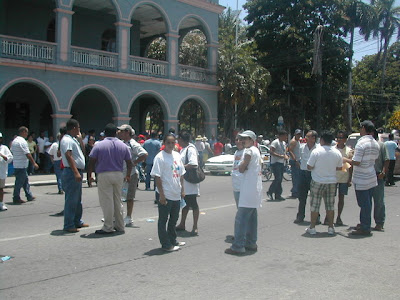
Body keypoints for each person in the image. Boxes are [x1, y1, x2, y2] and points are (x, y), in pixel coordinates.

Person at [87, 123, 132, 234]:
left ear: (105, 133)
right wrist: (128, 175)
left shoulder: (99, 145)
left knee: (107, 201)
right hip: (118, 174)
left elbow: (91, 161)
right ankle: (120, 225)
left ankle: (108, 226)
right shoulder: (123, 146)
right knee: (118, 200)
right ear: (116, 133)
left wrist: (89, 176)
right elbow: (129, 162)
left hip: (104, 174)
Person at [225, 130, 262, 255]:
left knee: (240, 219)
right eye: (241, 138)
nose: (242, 141)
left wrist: (242, 165)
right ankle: (251, 243)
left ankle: (238, 246)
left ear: (252, 140)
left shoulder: (249, 151)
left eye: (245, 139)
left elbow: (241, 168)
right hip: (254, 189)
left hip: (248, 189)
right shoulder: (257, 150)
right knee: (252, 218)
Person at [151, 134, 186, 251]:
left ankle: (173, 239)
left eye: (173, 143)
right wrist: (161, 195)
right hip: (165, 194)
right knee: (163, 220)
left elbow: (181, 174)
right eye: (168, 143)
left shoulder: (177, 155)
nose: (171, 145)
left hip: (176, 193)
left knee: (174, 219)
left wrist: (182, 190)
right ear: (164, 143)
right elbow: (157, 177)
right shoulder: (160, 158)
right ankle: (166, 245)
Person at [305, 131, 343, 235]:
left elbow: (309, 166)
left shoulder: (316, 151)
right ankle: (331, 227)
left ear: (321, 139)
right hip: (331, 181)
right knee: (330, 205)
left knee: (315, 205)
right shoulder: (337, 152)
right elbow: (339, 167)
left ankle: (312, 227)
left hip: (318, 180)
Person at [350, 120, 380, 236]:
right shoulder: (375, 143)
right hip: (371, 176)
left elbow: (356, 162)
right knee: (367, 203)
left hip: (361, 178)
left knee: (363, 204)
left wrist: (346, 160)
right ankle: (365, 223)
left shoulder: (361, 143)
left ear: (363, 128)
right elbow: (374, 159)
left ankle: (365, 227)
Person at [60, 119, 88, 233]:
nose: (79, 130)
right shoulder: (66, 140)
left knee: (77, 199)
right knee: (71, 199)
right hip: (71, 172)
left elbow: (82, 152)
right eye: (78, 128)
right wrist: (76, 172)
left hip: (77, 171)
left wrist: (81, 140)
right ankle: (69, 224)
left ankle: (77, 221)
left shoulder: (74, 140)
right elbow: (68, 155)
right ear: (74, 128)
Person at [117, 124, 148, 227]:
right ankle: (116, 215)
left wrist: (134, 162)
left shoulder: (133, 144)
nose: (119, 133)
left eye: (121, 131)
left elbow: (144, 154)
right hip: (121, 172)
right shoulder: (121, 143)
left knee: (129, 197)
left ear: (127, 132)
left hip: (131, 174)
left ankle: (129, 217)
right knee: (118, 195)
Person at [176, 130, 201, 236]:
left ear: (181, 139)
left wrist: (181, 167)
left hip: (190, 182)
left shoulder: (190, 149)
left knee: (193, 203)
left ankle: (195, 226)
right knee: (185, 204)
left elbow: (193, 164)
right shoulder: (184, 149)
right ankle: (182, 223)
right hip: (185, 181)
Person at [294, 130, 318, 223]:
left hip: (313, 174)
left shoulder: (318, 148)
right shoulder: (302, 147)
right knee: (302, 196)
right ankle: (300, 216)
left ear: (314, 138)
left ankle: (316, 217)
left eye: (308, 136)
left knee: (315, 197)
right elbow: (300, 159)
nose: (305, 138)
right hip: (303, 173)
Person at [11, 126, 39, 204]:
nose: (27, 134)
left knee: (25, 181)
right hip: (22, 165)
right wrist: (34, 163)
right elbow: (28, 154)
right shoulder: (22, 142)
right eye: (26, 132)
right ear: (23, 132)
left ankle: (29, 195)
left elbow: (12, 151)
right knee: (19, 182)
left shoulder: (14, 141)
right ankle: (16, 197)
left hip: (17, 164)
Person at [333, 130, 353, 226]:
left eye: (341, 138)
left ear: (345, 139)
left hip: (344, 178)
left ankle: (338, 217)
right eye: (338, 137)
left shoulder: (349, 151)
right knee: (330, 198)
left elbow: (351, 166)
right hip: (332, 177)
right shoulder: (332, 149)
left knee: (341, 198)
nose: (339, 139)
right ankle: (329, 216)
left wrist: (350, 179)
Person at [372, 129, 389, 231]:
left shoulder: (381, 145)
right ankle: (365, 222)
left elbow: (386, 160)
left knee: (379, 201)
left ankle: (379, 222)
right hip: (366, 177)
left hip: (378, 176)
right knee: (366, 202)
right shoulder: (364, 144)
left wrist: (383, 172)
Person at [267, 130, 289, 201]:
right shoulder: (275, 142)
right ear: (281, 136)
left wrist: (285, 156)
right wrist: (281, 156)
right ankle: (270, 191)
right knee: (278, 178)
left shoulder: (283, 143)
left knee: (280, 179)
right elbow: (271, 151)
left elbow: (284, 151)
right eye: (285, 136)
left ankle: (278, 194)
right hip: (276, 162)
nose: (286, 138)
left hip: (282, 162)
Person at [0, 132, 13, 211]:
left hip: (1, 172)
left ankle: (1, 203)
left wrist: (3, 156)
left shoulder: (4, 148)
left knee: (1, 189)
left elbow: (10, 158)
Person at [287, 129, 302, 199]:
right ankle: (295, 192)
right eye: (298, 134)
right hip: (295, 161)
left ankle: (296, 191)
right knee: (296, 177)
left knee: (298, 177)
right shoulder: (293, 141)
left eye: (300, 134)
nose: (299, 135)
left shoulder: (297, 141)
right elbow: (290, 151)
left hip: (297, 160)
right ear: (295, 134)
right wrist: (295, 160)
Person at [231, 134, 245, 207]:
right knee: (239, 207)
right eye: (236, 140)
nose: (238, 142)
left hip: (244, 185)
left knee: (244, 209)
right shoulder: (236, 152)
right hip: (236, 185)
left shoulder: (247, 152)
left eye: (240, 139)